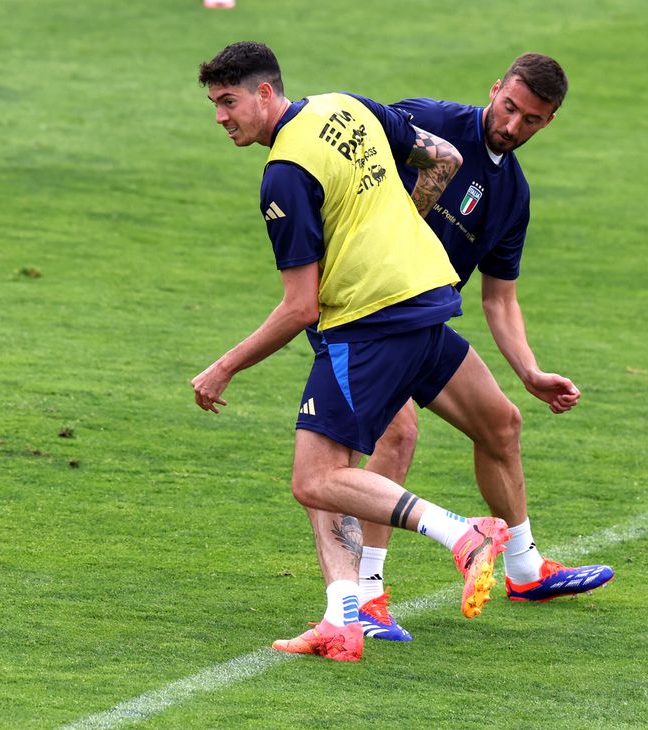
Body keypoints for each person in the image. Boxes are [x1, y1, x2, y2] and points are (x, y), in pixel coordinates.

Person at [191, 40, 514, 663]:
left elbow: (299, 307)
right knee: (324, 471)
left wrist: (223, 367)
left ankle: (463, 533)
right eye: (213, 104)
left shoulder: (285, 174)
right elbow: (443, 157)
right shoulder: (347, 107)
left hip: (367, 323)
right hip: (425, 294)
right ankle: (343, 617)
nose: (220, 117)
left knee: (314, 477)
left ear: (265, 93)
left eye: (229, 102)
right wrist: (393, 232)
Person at [352, 55, 614, 643]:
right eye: (509, 107)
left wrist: (530, 370)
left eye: (531, 120)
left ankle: (524, 569)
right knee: (398, 435)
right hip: (360, 310)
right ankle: (366, 596)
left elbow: (500, 299)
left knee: (502, 422)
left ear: (548, 123)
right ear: (494, 90)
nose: (513, 125)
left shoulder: (512, 196)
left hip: (420, 322)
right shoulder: (429, 124)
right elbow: (350, 150)